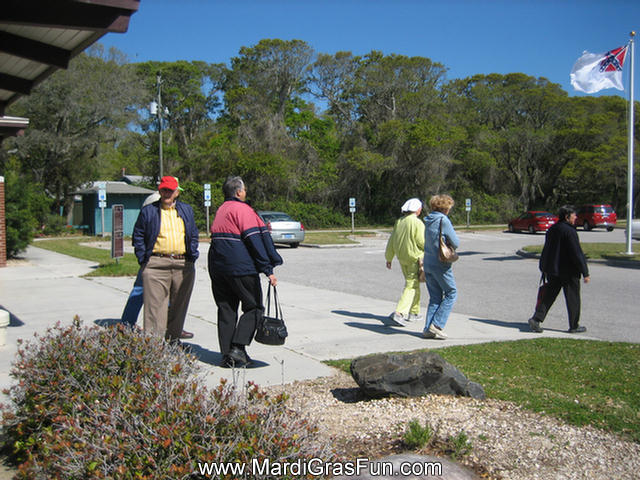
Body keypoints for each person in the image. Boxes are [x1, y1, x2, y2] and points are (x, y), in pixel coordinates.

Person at [208, 176, 283, 368]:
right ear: (239, 192)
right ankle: (238, 349)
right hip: (240, 267)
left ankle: (227, 356)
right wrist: (268, 269)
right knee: (254, 307)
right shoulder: (243, 210)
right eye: (244, 189)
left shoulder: (221, 210)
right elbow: (254, 239)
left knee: (226, 309)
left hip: (218, 267)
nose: (245, 192)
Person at [132, 176, 199, 343]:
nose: (167, 193)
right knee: (154, 309)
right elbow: (138, 235)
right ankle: (153, 347)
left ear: (177, 192)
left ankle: (173, 341)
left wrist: (192, 255)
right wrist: (143, 259)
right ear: (159, 191)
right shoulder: (149, 211)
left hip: (183, 264)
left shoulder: (186, 210)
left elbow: (193, 233)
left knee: (179, 306)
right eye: (164, 190)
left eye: (170, 190)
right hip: (156, 264)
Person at [528, 205, 590, 334]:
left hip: (553, 270)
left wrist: (544, 267)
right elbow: (576, 253)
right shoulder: (570, 231)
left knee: (549, 296)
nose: (576, 217)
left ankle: (536, 319)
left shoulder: (552, 229)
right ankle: (574, 326)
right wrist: (585, 272)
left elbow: (547, 250)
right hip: (569, 271)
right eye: (574, 215)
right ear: (567, 217)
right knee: (573, 298)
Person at [422, 194, 459, 340]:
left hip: (428, 262)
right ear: (445, 208)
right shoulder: (443, 220)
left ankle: (428, 329)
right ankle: (437, 325)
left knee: (435, 297)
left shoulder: (428, 220)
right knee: (451, 292)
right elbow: (455, 242)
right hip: (440, 263)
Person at [384, 198, 425, 325]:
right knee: (411, 285)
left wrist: (389, 257)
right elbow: (422, 241)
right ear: (417, 210)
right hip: (414, 258)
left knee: (414, 284)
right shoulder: (417, 222)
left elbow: (392, 240)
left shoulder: (399, 222)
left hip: (402, 258)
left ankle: (414, 312)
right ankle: (400, 312)